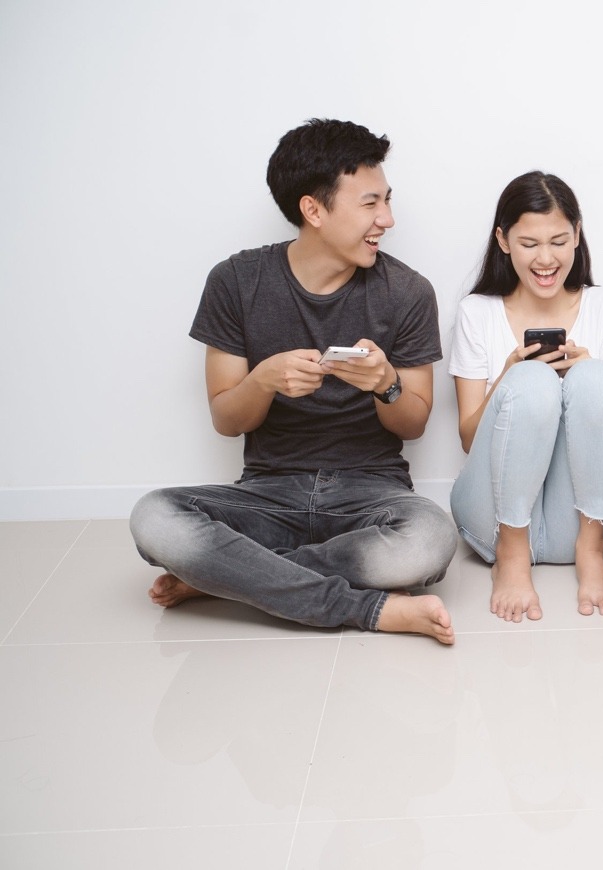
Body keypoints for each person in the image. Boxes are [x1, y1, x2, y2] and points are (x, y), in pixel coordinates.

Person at [129, 119, 459, 644]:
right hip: (266, 494)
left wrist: (386, 384)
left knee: (430, 540)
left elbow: (414, 423)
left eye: (387, 201)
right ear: (314, 210)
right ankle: (366, 609)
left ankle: (233, 577)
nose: (388, 219)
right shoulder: (235, 281)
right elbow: (226, 421)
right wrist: (262, 381)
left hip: (371, 496)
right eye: (371, 203)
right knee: (154, 516)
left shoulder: (408, 291)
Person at [449, 171, 603, 623]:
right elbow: (469, 440)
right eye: (530, 243)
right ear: (504, 240)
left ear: (577, 234)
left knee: (594, 376)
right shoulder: (476, 313)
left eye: (559, 240)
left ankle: (592, 551)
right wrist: (506, 381)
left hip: (586, 515)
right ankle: (512, 558)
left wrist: (592, 371)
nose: (546, 258)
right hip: (494, 521)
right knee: (530, 382)